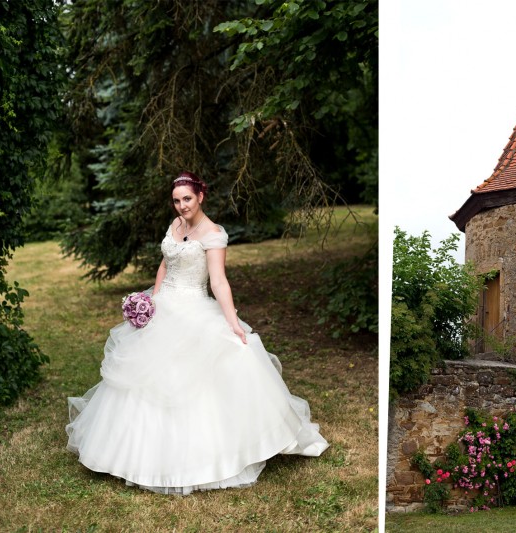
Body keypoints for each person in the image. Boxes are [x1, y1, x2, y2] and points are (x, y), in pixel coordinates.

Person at [65, 172, 329, 494]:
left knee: (205, 374)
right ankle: (131, 456)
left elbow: (218, 281)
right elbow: (165, 264)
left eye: (187, 199)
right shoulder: (175, 226)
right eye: (176, 201)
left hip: (194, 306)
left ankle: (208, 458)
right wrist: (151, 301)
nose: (181, 206)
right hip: (164, 307)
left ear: (200, 197)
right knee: (145, 378)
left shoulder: (213, 234)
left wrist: (232, 321)